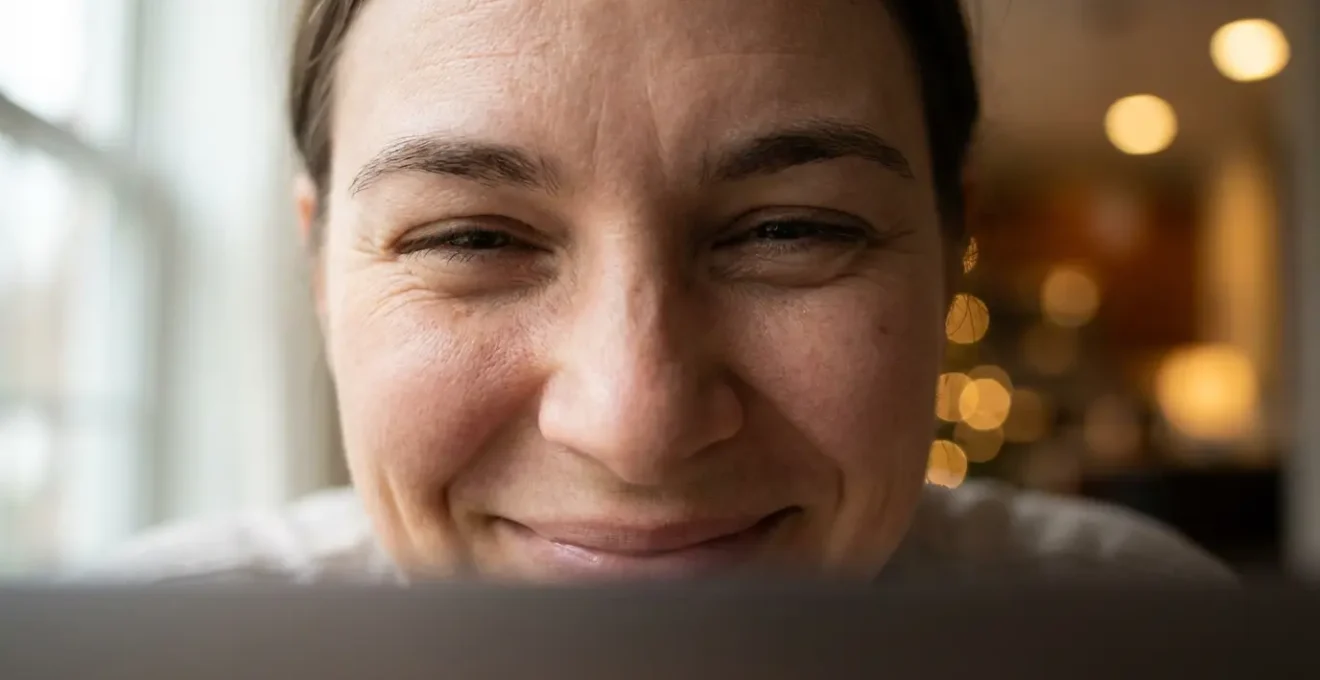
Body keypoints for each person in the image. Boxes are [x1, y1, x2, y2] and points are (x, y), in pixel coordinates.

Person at [94, 0, 1230, 584]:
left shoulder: (1150, 632)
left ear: (950, 244)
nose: (637, 422)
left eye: (791, 229)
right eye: (474, 235)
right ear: (320, 272)